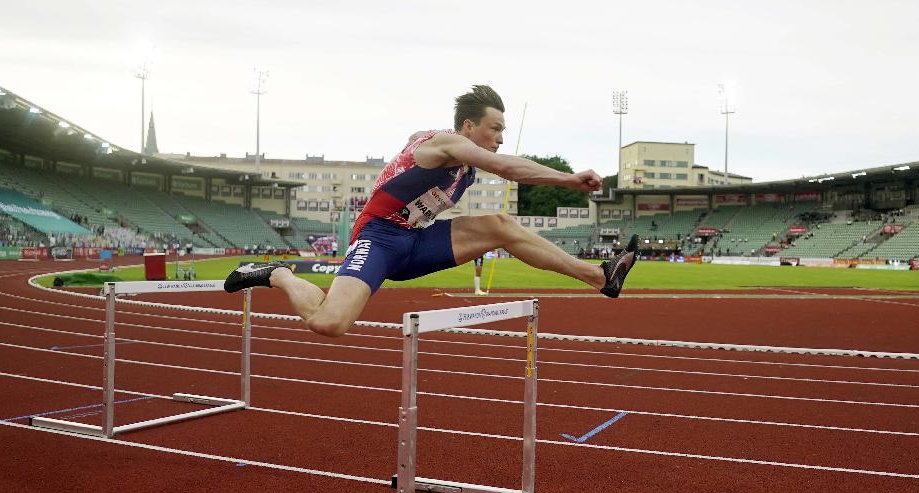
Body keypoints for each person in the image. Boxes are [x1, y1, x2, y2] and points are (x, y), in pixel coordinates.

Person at [225, 85, 639, 337]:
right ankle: (276, 273)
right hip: (379, 237)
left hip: (418, 240)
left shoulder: (462, 164)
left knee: (499, 224)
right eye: (493, 128)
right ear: (467, 126)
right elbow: (510, 168)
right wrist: (568, 179)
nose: (499, 137)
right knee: (330, 323)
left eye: (502, 130)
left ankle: (601, 277)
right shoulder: (448, 144)